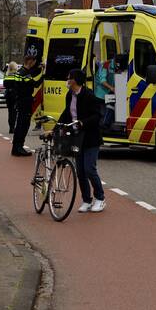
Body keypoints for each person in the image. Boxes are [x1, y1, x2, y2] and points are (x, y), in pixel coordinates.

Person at [60, 69, 105, 213]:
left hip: (91, 138)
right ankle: (87, 200)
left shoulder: (89, 95)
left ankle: (100, 198)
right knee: (80, 171)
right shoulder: (69, 95)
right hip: (77, 138)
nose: (67, 79)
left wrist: (82, 123)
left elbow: (97, 116)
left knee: (89, 169)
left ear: (75, 80)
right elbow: (67, 112)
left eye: (69, 78)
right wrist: (56, 127)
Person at [5, 55, 42, 157]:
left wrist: (39, 68)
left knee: (19, 126)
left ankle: (15, 148)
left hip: (20, 101)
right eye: (34, 61)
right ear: (30, 61)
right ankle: (19, 148)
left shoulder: (20, 71)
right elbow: (35, 84)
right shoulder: (25, 73)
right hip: (25, 102)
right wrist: (44, 75)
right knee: (23, 125)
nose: (34, 63)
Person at [93, 57, 115, 129]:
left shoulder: (117, 65)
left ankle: (106, 125)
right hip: (101, 93)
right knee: (104, 112)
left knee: (111, 107)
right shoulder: (106, 64)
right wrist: (112, 88)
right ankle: (103, 127)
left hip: (110, 92)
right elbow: (102, 81)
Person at [3, 61, 19, 134]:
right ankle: (14, 127)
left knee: (10, 112)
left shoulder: (6, 75)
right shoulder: (17, 75)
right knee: (15, 112)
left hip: (8, 95)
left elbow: (4, 85)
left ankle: (11, 127)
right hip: (15, 95)